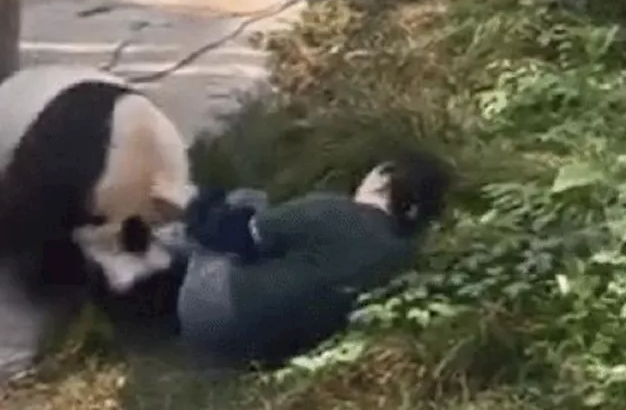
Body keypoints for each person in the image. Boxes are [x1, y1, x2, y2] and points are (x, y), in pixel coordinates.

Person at [169, 148, 453, 368]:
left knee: (247, 200)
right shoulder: (406, 259)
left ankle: (150, 259)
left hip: (212, 313)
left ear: (384, 178)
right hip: (263, 353)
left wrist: (198, 207)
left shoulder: (331, 209)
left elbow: (232, 236)